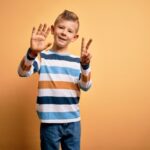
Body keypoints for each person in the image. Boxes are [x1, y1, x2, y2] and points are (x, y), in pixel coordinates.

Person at [18, 10, 92, 150]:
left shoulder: (79, 61)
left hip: (73, 122)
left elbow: (86, 86)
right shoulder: (42, 57)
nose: (64, 32)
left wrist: (85, 66)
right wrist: (32, 53)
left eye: (69, 31)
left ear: (74, 37)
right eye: (61, 27)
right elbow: (22, 72)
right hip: (49, 122)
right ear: (53, 30)